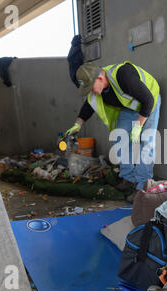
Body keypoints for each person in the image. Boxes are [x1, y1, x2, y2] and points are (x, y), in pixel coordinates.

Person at [66, 61, 161, 202]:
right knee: (121, 136)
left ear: (100, 78)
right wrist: (78, 124)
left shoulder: (123, 76)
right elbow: (89, 105)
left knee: (146, 141)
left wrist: (138, 125)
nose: (90, 91)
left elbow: (147, 100)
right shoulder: (98, 89)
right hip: (129, 106)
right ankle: (128, 178)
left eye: (90, 87)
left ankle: (142, 186)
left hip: (149, 100)